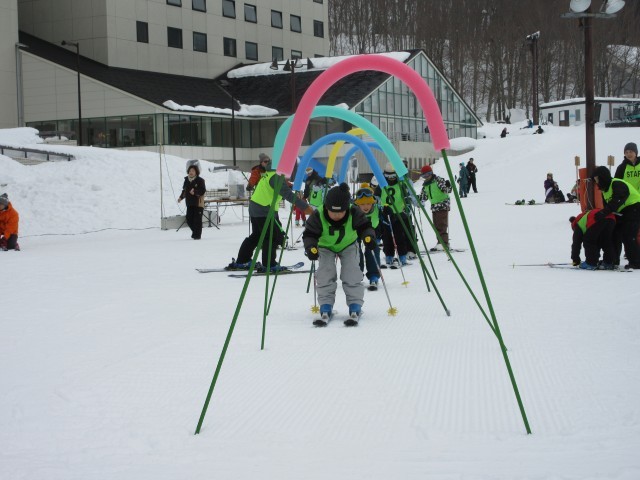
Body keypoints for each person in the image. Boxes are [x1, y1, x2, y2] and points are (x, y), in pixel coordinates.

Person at [302, 183, 375, 321]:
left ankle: (355, 303)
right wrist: (311, 247)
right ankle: (325, 304)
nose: (336, 215)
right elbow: (309, 234)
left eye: (340, 212)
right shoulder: (318, 215)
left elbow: (365, 226)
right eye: (333, 212)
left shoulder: (354, 212)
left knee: (352, 272)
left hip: (348, 245)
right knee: (325, 273)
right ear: (326, 207)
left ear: (346, 208)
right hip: (325, 247)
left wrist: (368, 236)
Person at [228, 170, 313, 271]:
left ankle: (243, 260)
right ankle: (269, 264)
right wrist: (305, 207)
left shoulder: (272, 174)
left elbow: (275, 194)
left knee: (257, 235)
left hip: (258, 207)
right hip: (263, 209)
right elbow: (288, 195)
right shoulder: (276, 178)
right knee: (271, 236)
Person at [591, 165, 640, 269]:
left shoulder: (617, 183)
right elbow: (608, 206)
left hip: (634, 209)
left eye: (597, 179)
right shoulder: (605, 190)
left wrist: (604, 213)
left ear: (603, 177)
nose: (596, 182)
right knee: (613, 234)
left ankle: (636, 262)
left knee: (628, 236)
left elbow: (617, 200)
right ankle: (612, 260)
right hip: (620, 213)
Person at [380, 163, 411, 266]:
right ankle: (389, 256)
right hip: (386, 215)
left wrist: (407, 206)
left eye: (393, 176)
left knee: (400, 236)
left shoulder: (401, 184)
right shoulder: (381, 185)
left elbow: (407, 197)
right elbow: (376, 198)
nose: (391, 178)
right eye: (388, 176)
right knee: (387, 237)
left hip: (398, 215)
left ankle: (402, 256)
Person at [354, 184, 382, 289]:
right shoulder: (353, 210)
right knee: (355, 251)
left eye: (368, 204)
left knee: (373, 249)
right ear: (358, 204)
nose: (366, 207)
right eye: (362, 204)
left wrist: (388, 213)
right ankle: (357, 275)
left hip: (371, 232)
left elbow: (386, 218)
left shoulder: (377, 208)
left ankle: (374, 275)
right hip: (355, 232)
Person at [419, 165, 452, 250]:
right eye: (424, 176)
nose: (426, 177)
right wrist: (417, 199)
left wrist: (448, 186)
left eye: (428, 174)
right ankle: (440, 242)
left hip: (442, 205)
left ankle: (444, 243)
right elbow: (424, 197)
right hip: (434, 207)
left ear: (431, 173)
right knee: (436, 226)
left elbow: (447, 190)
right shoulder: (426, 185)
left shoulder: (438, 180)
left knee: (442, 225)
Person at [177, 160, 206, 240]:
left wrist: (195, 192)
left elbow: (202, 190)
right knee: (189, 219)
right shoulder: (186, 180)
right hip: (189, 203)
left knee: (197, 220)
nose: (191, 172)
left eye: (193, 171)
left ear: (196, 172)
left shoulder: (200, 180)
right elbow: (185, 191)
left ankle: (197, 236)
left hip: (198, 203)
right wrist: (181, 197)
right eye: (190, 171)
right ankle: (195, 232)